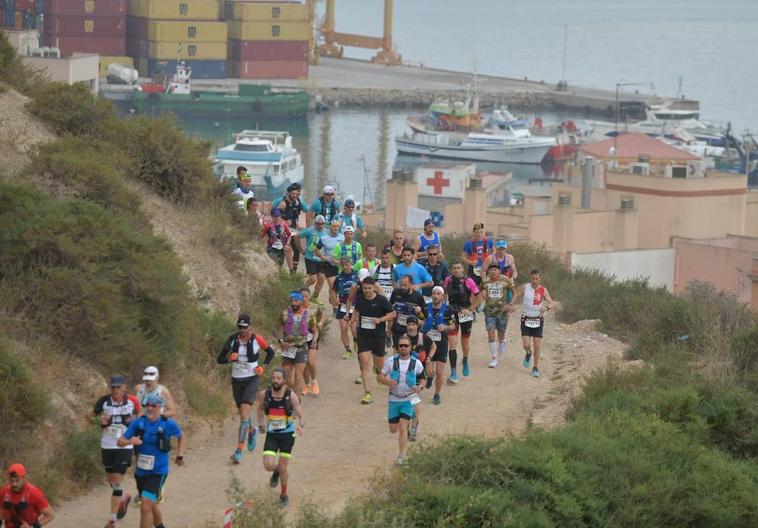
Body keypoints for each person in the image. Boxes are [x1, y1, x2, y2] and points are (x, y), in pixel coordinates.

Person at [118, 394, 185, 528]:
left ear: (160, 408)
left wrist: (180, 455)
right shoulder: (138, 422)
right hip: (141, 472)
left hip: (158, 471)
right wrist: (130, 441)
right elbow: (120, 441)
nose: (149, 408)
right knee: (150, 502)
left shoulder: (168, 423)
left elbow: (181, 436)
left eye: (153, 405)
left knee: (145, 506)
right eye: (147, 405)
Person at [217, 314, 276, 464]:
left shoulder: (257, 339)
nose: (242, 330)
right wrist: (229, 358)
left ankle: (238, 450)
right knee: (242, 413)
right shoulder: (232, 340)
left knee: (244, 413)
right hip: (236, 380)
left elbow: (271, 352)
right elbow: (220, 359)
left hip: (252, 379)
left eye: (245, 327)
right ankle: (251, 430)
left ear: (249, 327)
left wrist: (263, 367)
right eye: (240, 327)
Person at [93, 375, 141, 528]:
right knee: (112, 482)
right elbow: (90, 416)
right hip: (107, 444)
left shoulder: (133, 401)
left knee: (117, 480)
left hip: (125, 445)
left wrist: (134, 425)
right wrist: (99, 421)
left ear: (124, 387)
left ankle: (112, 520)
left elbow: (140, 415)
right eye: (113, 387)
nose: (115, 390)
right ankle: (123, 498)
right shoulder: (103, 401)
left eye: (118, 387)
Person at [255, 368, 305, 508]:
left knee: (284, 467)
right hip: (272, 434)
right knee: (268, 465)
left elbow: (300, 415)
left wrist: (301, 426)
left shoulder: (291, 396)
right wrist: (261, 425)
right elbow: (259, 409)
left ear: (284, 381)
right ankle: (275, 471)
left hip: (287, 436)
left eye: (278, 378)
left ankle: (284, 495)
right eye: (274, 378)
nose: (276, 381)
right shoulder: (265, 395)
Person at [379, 334, 424, 465]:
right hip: (394, 398)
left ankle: (401, 456)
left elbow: (423, 377)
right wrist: (387, 381)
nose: (403, 348)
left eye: (406, 345)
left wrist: (420, 386)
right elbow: (381, 376)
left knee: (403, 426)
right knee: (393, 429)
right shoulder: (391, 361)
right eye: (401, 346)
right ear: (397, 347)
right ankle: (412, 422)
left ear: (411, 347)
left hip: (409, 397)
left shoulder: (416, 363)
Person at [352, 277, 395, 405]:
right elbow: (357, 311)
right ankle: (367, 393)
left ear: (374, 288)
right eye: (365, 288)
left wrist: (380, 320)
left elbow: (393, 314)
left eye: (369, 288)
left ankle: (379, 373)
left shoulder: (381, 300)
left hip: (378, 336)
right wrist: (353, 320)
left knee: (379, 364)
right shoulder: (360, 299)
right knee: (365, 364)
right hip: (363, 336)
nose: (367, 291)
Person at [509, 269, 555, 378]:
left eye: (537, 278)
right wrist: (511, 304)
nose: (535, 281)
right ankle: (528, 352)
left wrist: (547, 307)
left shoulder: (543, 290)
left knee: (537, 345)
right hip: (526, 319)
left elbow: (551, 302)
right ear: (530, 278)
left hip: (538, 320)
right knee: (526, 344)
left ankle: (535, 367)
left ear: (540, 278)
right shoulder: (525, 287)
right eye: (533, 278)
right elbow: (516, 294)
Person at [275, 291, 319, 398]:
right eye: (292, 301)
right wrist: (281, 341)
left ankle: (296, 403)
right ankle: (293, 394)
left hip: (301, 349)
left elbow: (315, 330)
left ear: (301, 301)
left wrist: (314, 340)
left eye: (296, 300)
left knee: (298, 377)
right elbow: (275, 329)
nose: (293, 303)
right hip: (288, 350)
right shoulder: (284, 313)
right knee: (287, 379)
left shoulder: (309, 314)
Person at [443, 262, 482, 382]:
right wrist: (444, 308)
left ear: (463, 270)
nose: (456, 270)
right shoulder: (448, 280)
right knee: (452, 344)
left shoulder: (469, 281)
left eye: (458, 268)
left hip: (465, 313)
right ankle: (453, 372)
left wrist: (471, 309)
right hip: (451, 313)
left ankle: (465, 359)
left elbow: (479, 297)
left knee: (465, 343)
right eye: (454, 268)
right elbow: (444, 295)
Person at [403, 316, 435, 438]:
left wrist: (429, 358)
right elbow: (396, 352)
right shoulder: (403, 338)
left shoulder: (424, 338)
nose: (411, 327)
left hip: (418, 374)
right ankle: (407, 424)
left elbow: (433, 346)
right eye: (409, 324)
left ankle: (413, 427)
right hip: (404, 374)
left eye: (413, 324)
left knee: (413, 399)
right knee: (405, 400)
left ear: (417, 326)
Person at [421, 286, 453, 405]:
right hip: (428, 344)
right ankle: (430, 376)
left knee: (440, 371)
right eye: (433, 293)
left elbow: (454, 326)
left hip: (442, 344)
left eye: (438, 294)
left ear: (442, 296)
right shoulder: (425, 308)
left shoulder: (448, 309)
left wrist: (445, 327)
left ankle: (437, 394)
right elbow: (421, 321)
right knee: (429, 371)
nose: (435, 296)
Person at [1, 463, 55, 528]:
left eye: (17, 480)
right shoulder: (4, 492)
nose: (14, 484)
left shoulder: (33, 493)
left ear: (24, 478)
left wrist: (32, 527)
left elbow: (50, 515)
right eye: (11, 481)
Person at [483, 264, 514, 368]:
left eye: (495, 270)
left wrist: (510, 305)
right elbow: (478, 292)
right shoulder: (485, 281)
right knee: (491, 333)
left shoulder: (506, 280)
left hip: (502, 312)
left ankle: (502, 342)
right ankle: (494, 358)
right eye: (490, 270)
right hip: (489, 311)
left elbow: (515, 292)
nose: (492, 272)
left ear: (499, 271)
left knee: (501, 334)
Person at [330, 256, 359, 359]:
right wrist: (335, 300)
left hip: (355, 306)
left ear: (351, 263)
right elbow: (333, 290)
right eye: (342, 263)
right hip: (342, 306)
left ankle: (356, 341)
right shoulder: (339, 277)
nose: (344, 265)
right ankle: (347, 350)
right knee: (343, 329)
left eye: (346, 263)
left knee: (354, 328)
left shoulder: (357, 275)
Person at [277, 183, 308, 275]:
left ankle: (293, 273)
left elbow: (299, 214)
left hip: (293, 231)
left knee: (296, 250)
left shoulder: (297, 203)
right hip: (283, 231)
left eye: (296, 194)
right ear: (289, 193)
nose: (295, 195)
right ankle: (280, 271)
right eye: (293, 194)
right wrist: (284, 221)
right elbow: (275, 217)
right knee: (282, 251)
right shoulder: (283, 204)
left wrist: (297, 224)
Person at [300, 287, 326, 397]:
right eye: (302, 296)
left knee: (310, 361)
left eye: (306, 296)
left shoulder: (314, 307)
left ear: (309, 296)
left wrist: (320, 323)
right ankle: (306, 384)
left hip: (313, 335)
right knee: (304, 364)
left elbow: (323, 316)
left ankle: (314, 381)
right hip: (300, 339)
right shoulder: (296, 308)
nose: (304, 298)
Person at [389, 274, 425, 346]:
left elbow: (423, 317)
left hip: (411, 331)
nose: (402, 287)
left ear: (411, 284)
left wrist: (419, 312)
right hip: (397, 329)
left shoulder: (418, 296)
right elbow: (389, 309)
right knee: (397, 353)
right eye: (401, 285)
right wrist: (389, 325)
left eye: (405, 285)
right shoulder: (396, 292)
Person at [301, 214, 328, 295]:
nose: (320, 226)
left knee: (322, 279)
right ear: (315, 223)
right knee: (313, 279)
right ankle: (301, 290)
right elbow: (297, 236)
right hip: (310, 258)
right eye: (318, 224)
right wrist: (300, 249)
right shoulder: (309, 231)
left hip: (320, 259)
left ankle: (315, 297)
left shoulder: (327, 232)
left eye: (322, 224)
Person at [314, 219, 345, 290]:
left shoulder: (343, 237)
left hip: (342, 265)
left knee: (337, 290)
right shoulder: (324, 238)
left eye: (337, 226)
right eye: (334, 226)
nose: (336, 228)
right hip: (330, 265)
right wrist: (321, 256)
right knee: (333, 288)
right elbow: (316, 250)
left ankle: (333, 300)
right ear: (330, 227)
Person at [460, 223, 493, 287]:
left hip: (486, 269)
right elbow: (462, 257)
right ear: (473, 232)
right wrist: (470, 262)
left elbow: (494, 250)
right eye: (477, 232)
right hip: (474, 270)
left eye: (481, 232)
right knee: (473, 289)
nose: (479, 234)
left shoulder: (489, 241)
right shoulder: (468, 243)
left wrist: (490, 258)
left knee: (486, 288)